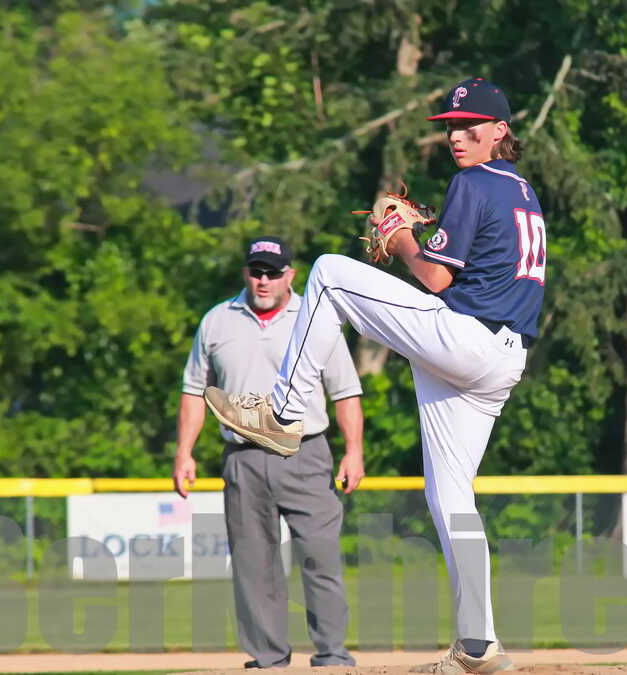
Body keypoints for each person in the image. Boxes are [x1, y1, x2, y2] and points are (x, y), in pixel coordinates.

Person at [204, 77, 545, 674]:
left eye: (469, 126)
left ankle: (282, 413)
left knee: (329, 274)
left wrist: (403, 237)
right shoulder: (524, 192)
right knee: (450, 497)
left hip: (467, 338)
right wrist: (422, 239)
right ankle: (478, 644)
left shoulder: (473, 181)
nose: (457, 136)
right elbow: (474, 265)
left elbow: (435, 278)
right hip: (503, 359)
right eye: (450, 127)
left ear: (500, 130)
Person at [173, 236, 365, 669]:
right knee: (253, 564)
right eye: (256, 271)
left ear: (290, 275)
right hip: (242, 456)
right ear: (246, 272)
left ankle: (332, 654)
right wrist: (184, 452)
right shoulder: (217, 320)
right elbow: (194, 391)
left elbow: (346, 392)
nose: (263, 280)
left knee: (320, 555)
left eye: (273, 272)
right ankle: (268, 659)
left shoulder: (315, 318)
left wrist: (354, 451)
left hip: (305, 452)